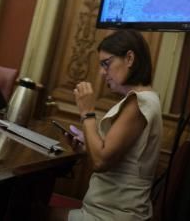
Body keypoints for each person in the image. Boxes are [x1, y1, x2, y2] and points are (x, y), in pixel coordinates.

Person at [66, 30, 163, 221]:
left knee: (27, 211)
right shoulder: (141, 100)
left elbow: (101, 161)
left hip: (111, 216)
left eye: (106, 63)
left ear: (129, 58)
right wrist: (89, 147)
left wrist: (87, 112)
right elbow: (115, 157)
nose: (102, 73)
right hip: (106, 211)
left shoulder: (139, 102)